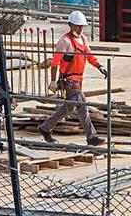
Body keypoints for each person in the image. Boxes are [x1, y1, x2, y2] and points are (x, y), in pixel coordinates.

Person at [39, 10, 108, 146]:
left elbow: (89, 56)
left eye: (82, 26)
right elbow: (55, 63)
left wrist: (99, 66)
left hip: (79, 80)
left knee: (68, 108)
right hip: (69, 81)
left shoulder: (83, 39)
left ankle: (45, 128)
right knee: (82, 105)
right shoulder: (65, 41)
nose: (80, 28)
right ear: (70, 25)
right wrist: (53, 81)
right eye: (77, 26)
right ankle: (92, 137)